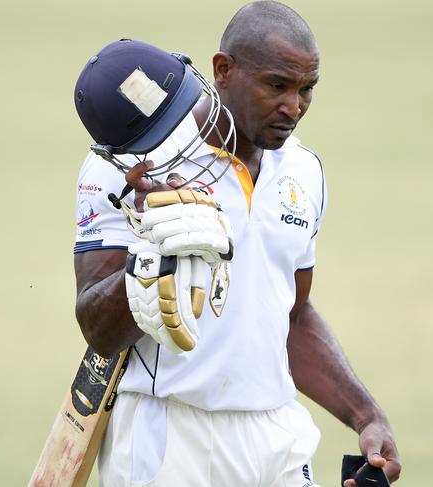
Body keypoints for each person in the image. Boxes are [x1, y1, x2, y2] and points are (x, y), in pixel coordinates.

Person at [72, 2, 401, 486]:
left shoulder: (304, 171)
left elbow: (290, 313)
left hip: (276, 431)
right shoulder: (132, 163)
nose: (294, 107)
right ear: (223, 70)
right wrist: (154, 258)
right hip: (169, 433)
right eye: (276, 86)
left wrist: (366, 415)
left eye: (306, 89)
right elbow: (97, 330)